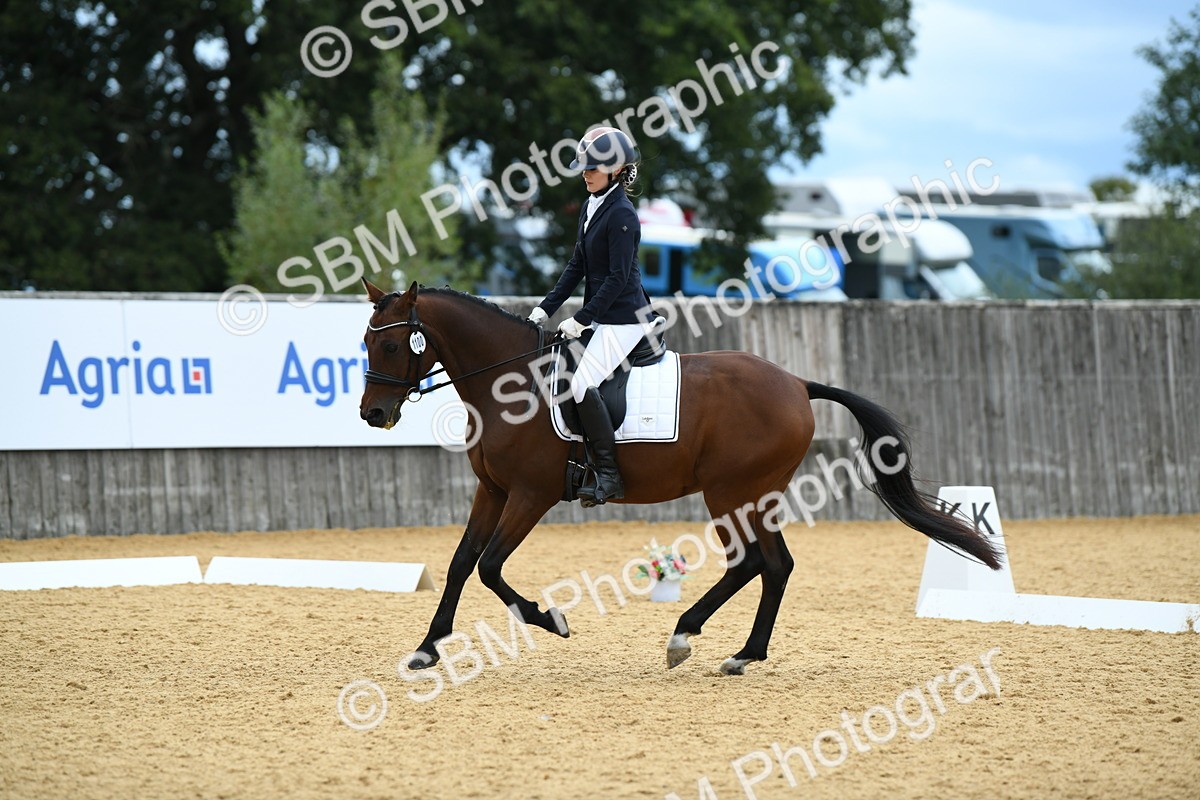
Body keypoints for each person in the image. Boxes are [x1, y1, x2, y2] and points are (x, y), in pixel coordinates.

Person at [528, 126, 653, 506]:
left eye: (593, 168)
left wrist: (582, 318)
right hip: (603, 317)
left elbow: (617, 279)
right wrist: (545, 308)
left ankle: (609, 474)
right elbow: (577, 266)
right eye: (583, 167)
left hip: (626, 319)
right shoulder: (591, 205)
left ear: (616, 169)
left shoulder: (623, 215)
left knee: (580, 385)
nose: (585, 173)